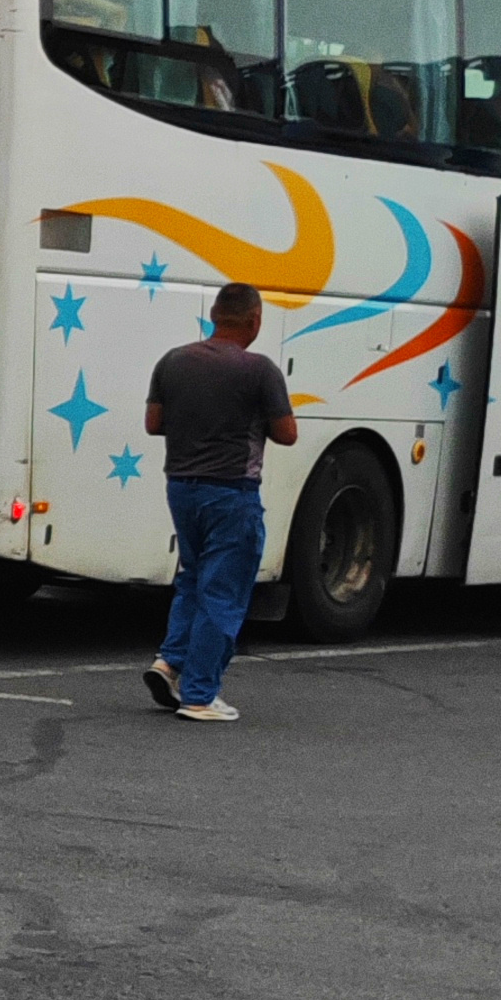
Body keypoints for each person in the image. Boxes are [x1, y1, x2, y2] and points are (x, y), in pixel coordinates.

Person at [144, 282, 298, 722]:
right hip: (232, 491)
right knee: (223, 592)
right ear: (255, 320)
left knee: (193, 578)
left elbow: (154, 424)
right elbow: (287, 434)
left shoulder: (172, 360)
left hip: (181, 487)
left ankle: (170, 662)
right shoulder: (260, 370)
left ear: (213, 314)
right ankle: (199, 694)